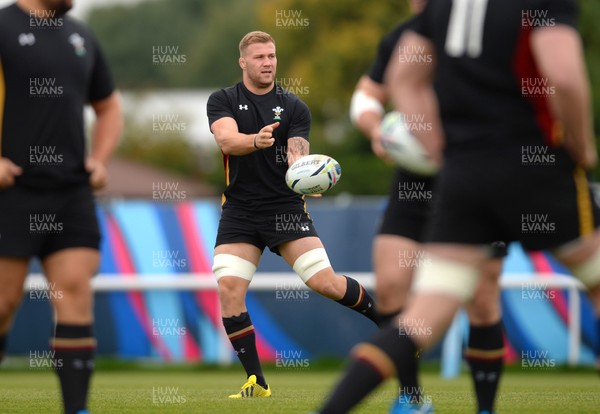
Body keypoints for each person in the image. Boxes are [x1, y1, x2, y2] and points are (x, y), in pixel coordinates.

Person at [318, 0, 600, 413]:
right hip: (535, 167)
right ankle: (412, 400)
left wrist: (441, 152)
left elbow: (403, 79)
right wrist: (581, 143)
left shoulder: (444, 6)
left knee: (422, 319)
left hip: (463, 178)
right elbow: (564, 75)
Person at [206, 30, 378, 399]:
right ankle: (257, 381)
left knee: (325, 284)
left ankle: (392, 327)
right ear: (243, 62)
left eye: (271, 56)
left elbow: (296, 156)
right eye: (259, 57)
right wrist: (255, 140)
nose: (267, 63)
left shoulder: (295, 107)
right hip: (239, 211)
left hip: (284, 209)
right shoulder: (222, 99)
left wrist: (306, 178)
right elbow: (226, 140)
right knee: (229, 289)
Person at [350, 1, 504, 412]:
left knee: (482, 297)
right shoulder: (403, 37)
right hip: (414, 181)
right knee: (391, 285)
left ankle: (485, 407)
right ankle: (412, 399)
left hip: (477, 175)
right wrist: (376, 128)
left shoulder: (489, 29)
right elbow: (367, 94)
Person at [0, 0, 122, 413]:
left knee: (74, 291)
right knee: (3, 302)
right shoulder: (3, 25)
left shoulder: (82, 35)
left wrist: (99, 160)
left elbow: (108, 107)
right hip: (10, 191)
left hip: (71, 192)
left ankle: (76, 409)